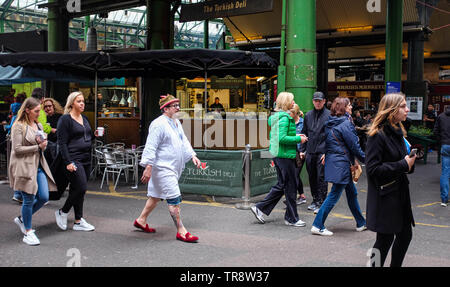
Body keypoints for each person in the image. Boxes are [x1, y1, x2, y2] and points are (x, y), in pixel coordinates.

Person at [134, 94, 202, 243]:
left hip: (171, 167)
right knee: (174, 198)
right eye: (174, 106)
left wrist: (192, 156)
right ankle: (181, 230)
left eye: (178, 105)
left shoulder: (176, 122)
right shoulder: (158, 124)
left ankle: (141, 220)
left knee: (156, 196)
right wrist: (148, 166)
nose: (178, 108)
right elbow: (151, 146)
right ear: (165, 108)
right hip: (162, 168)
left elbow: (183, 141)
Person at [365, 93, 416, 267]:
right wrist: (403, 164)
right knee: (383, 241)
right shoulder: (377, 135)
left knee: (405, 235)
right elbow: (372, 169)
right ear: (391, 110)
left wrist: (409, 161)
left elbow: (402, 161)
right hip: (385, 196)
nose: (407, 109)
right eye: (403, 106)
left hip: (399, 193)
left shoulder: (399, 131)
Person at [250, 92, 308, 227]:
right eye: (292, 100)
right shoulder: (284, 118)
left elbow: (281, 136)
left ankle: (261, 208)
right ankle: (291, 218)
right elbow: (282, 138)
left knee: (283, 185)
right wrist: (299, 139)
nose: (294, 102)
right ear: (287, 102)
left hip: (280, 155)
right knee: (290, 187)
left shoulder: (278, 117)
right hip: (285, 156)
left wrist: (296, 134)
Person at [311, 97, 366, 236]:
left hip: (337, 162)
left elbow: (329, 143)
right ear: (343, 108)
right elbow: (354, 145)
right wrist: (367, 159)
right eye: (349, 106)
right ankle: (317, 225)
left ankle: (361, 223)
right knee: (334, 195)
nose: (351, 107)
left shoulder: (331, 122)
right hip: (342, 163)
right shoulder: (345, 124)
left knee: (352, 193)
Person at [9, 97, 57, 246]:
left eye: (39, 110)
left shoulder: (39, 125)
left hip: (38, 166)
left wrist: (44, 143)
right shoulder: (19, 126)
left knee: (44, 196)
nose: (39, 113)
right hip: (24, 166)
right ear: (27, 110)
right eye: (36, 111)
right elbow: (17, 149)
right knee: (28, 199)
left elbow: (41, 145)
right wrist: (38, 147)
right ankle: (28, 232)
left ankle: (23, 219)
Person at [55, 91, 97, 232]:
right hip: (73, 158)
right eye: (79, 101)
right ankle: (63, 211)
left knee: (78, 190)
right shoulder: (65, 120)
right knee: (81, 187)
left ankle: (78, 220)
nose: (82, 103)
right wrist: (68, 162)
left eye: (83, 101)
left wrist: (94, 135)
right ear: (72, 103)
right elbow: (62, 143)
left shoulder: (84, 118)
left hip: (85, 158)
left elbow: (87, 137)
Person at [299, 91, 330, 213]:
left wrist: (327, 152)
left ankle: (322, 201)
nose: (317, 103)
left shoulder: (329, 115)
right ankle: (315, 199)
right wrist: (302, 150)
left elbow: (331, 135)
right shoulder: (308, 115)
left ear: (324, 101)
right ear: (313, 101)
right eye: (315, 101)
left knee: (321, 177)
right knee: (312, 176)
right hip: (310, 151)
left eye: (320, 101)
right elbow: (304, 133)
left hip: (322, 151)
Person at [433, 105, 450, 207]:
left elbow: (435, 132)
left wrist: (441, 142)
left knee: (445, 172)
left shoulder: (441, 116)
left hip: (445, 145)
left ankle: (444, 200)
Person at [291, 104, 307, 205]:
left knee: (295, 174)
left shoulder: (304, 123)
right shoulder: (289, 122)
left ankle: (295, 196)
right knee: (294, 175)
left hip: (301, 152)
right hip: (292, 152)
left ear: (295, 113)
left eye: (291, 112)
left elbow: (307, 137)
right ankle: (301, 195)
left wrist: (303, 152)